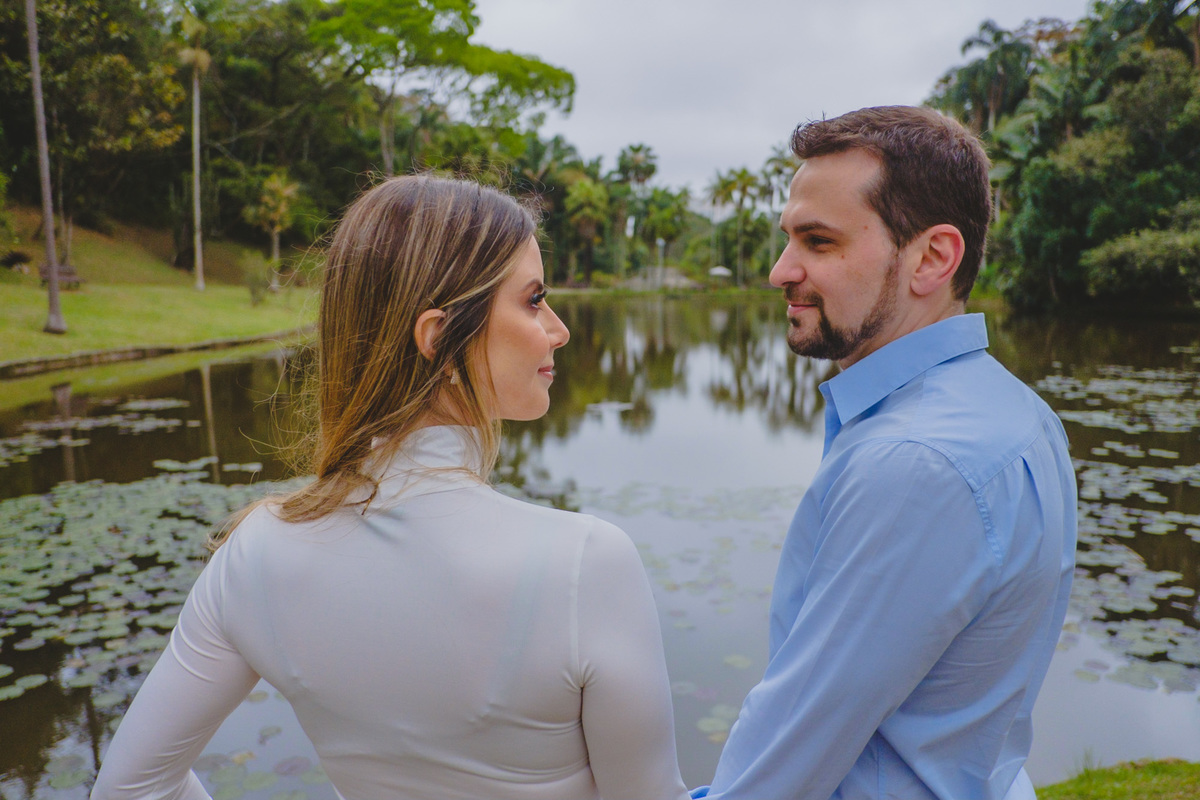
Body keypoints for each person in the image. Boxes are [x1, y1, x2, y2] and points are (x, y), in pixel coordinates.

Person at [91, 175, 689, 800]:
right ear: (439, 337)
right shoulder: (586, 564)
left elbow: (129, 791)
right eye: (534, 300)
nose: (558, 329)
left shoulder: (255, 553)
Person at [692, 106, 1077, 800]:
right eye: (789, 239)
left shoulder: (912, 462)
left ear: (933, 258)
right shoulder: (1020, 412)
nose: (781, 271)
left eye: (819, 242)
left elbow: (786, 759)